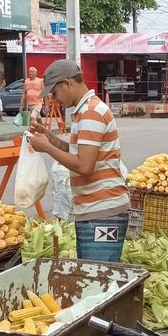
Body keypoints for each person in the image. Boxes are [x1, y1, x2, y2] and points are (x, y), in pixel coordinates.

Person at [26, 60, 132, 261]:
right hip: (93, 211)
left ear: (67, 84)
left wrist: (47, 148)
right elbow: (79, 152)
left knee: (99, 277)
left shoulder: (91, 112)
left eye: (54, 93)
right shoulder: (84, 111)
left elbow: (84, 165)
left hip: (103, 211)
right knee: (92, 275)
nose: (54, 99)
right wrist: (50, 138)